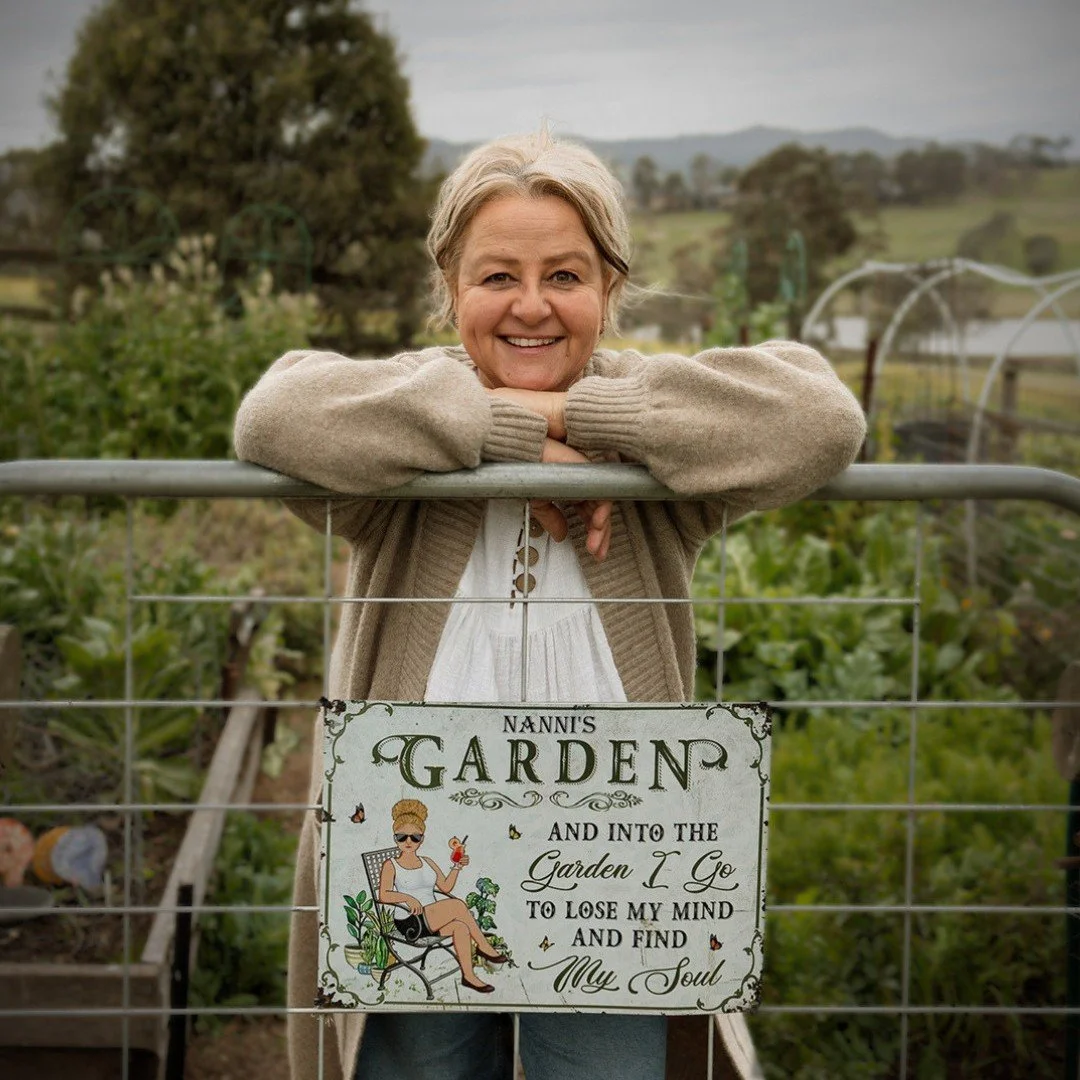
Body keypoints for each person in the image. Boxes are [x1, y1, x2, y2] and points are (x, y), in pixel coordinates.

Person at [233, 129, 866, 1080]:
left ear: (609, 289)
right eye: (497, 277)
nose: (531, 305)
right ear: (451, 287)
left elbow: (823, 419)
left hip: (611, 870)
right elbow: (273, 416)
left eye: (564, 274)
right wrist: (502, 432)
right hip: (421, 848)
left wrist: (581, 423)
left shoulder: (654, 446)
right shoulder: (407, 430)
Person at [378, 798, 506, 993]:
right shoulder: (391, 864)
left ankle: (468, 976)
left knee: (461, 927)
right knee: (457, 906)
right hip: (410, 922)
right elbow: (383, 895)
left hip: (430, 920)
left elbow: (445, 886)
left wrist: (457, 867)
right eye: (401, 837)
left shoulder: (427, 861)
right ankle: (484, 946)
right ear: (395, 838)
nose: (408, 842)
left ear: (422, 838)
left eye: (415, 837)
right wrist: (407, 898)